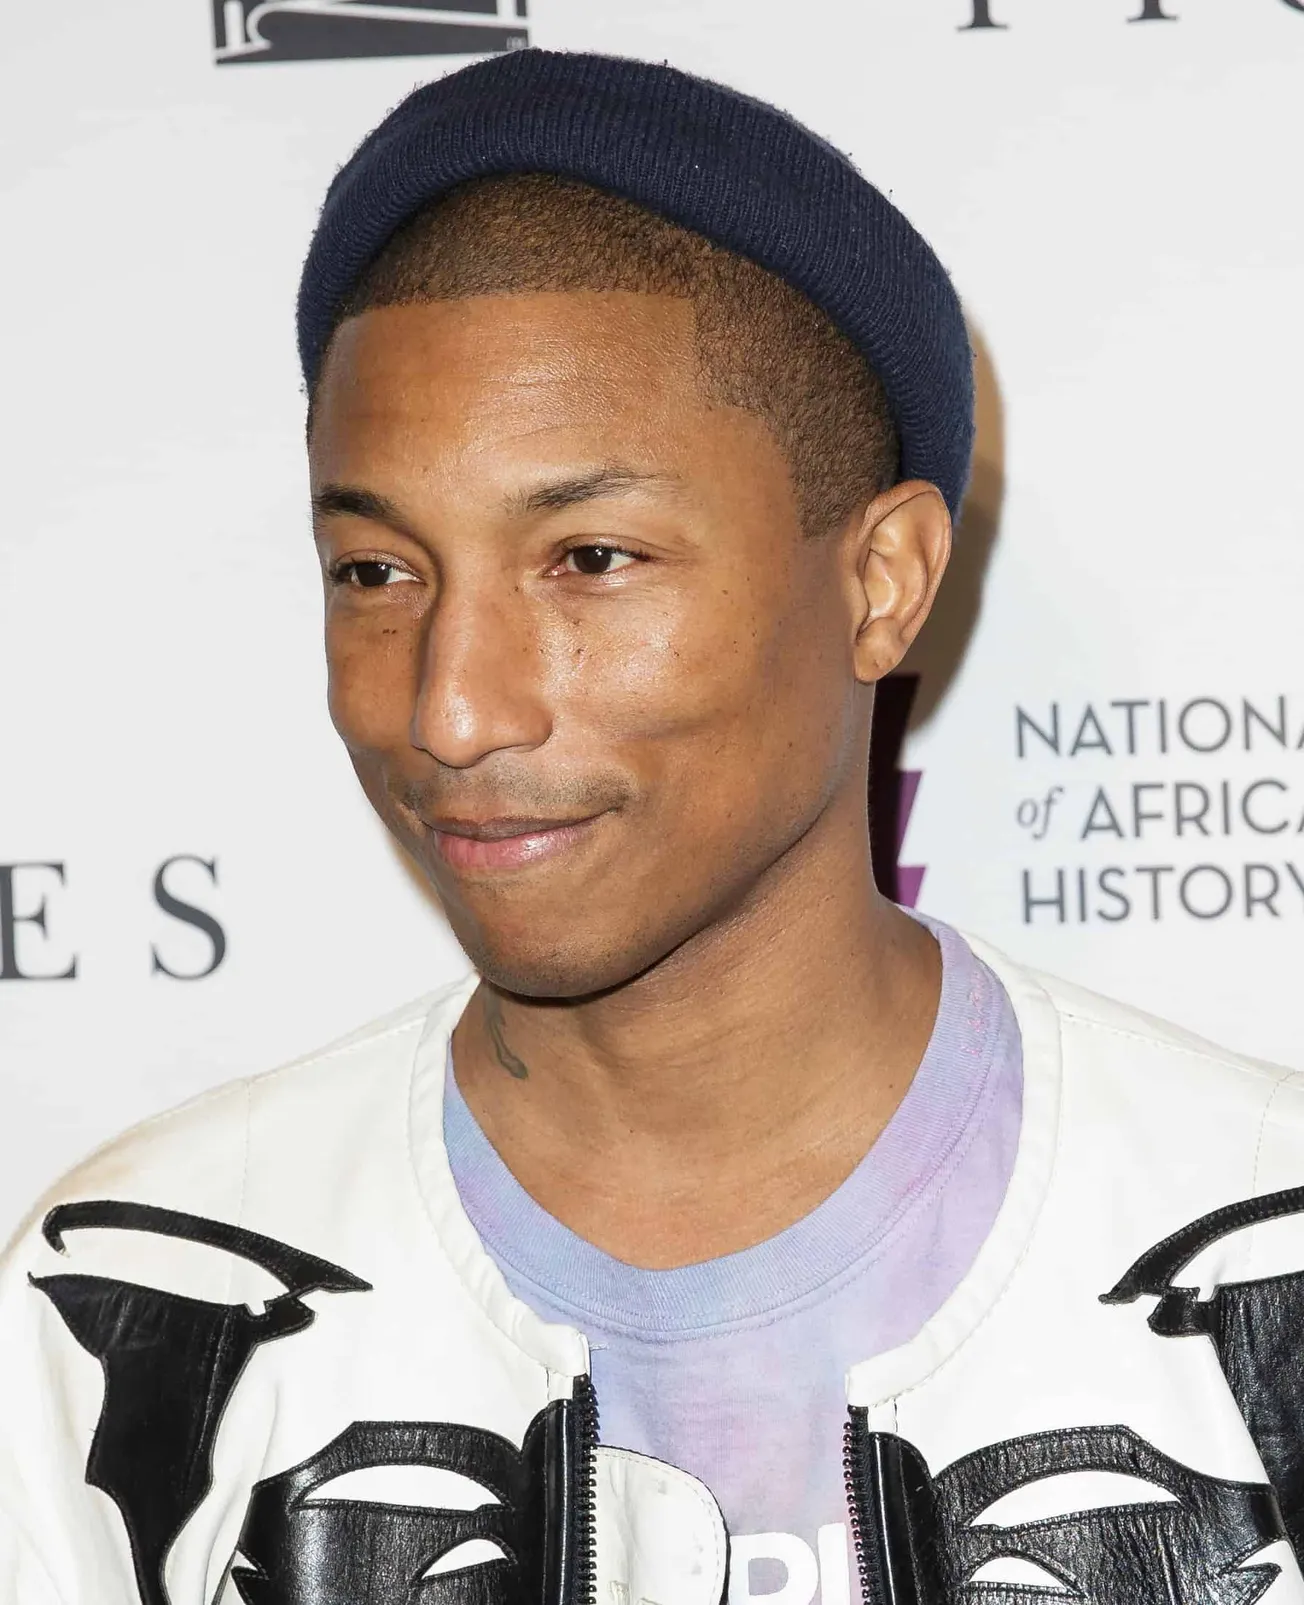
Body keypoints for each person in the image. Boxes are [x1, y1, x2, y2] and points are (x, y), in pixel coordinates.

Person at [3, 46, 1303, 1605]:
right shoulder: (135, 1299)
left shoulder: (1266, 1255)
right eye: (376, 574)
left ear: (881, 581)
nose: (452, 710)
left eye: (592, 559)